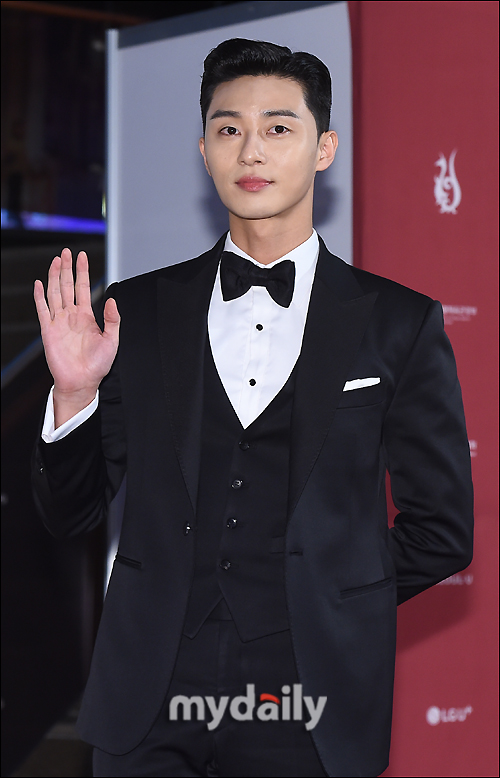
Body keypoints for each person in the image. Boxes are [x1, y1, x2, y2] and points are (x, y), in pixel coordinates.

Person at [32, 39, 473, 778]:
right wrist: (73, 392)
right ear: (204, 149)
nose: (251, 150)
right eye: (229, 128)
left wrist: (333, 597)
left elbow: (443, 532)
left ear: (323, 147)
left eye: (278, 127)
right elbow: (70, 513)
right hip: (149, 689)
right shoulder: (132, 313)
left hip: (309, 699)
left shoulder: (397, 322)